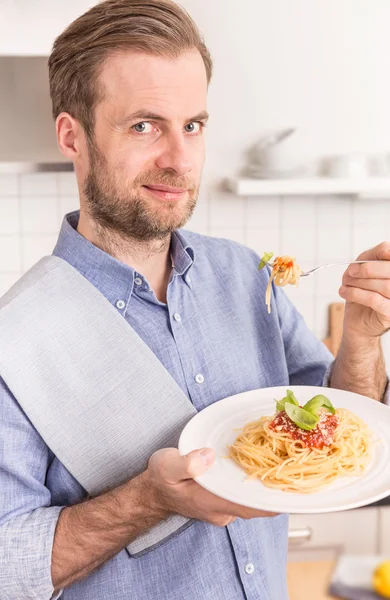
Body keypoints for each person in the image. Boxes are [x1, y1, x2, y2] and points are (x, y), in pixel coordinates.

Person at [0, 1, 389, 599]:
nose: (180, 160)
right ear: (72, 136)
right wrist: (145, 500)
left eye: (193, 125)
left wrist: (360, 339)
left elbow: (339, 435)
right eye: (144, 126)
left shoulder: (245, 275)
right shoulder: (16, 339)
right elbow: (6, 564)